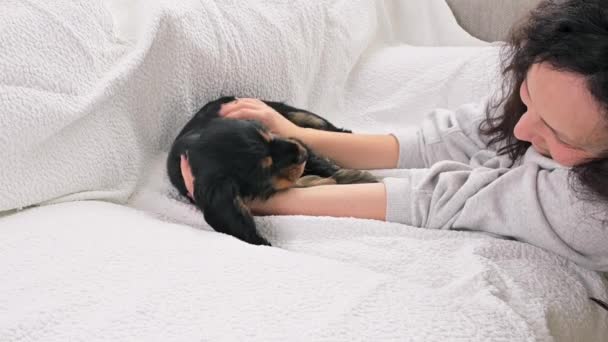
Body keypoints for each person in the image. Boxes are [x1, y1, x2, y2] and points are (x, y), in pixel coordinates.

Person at [181, 0, 608, 271]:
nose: (521, 128)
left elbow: (450, 198)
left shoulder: (591, 215)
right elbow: (460, 136)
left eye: (560, 136)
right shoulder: (568, 72)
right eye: (528, 95)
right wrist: (299, 134)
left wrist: (258, 202)